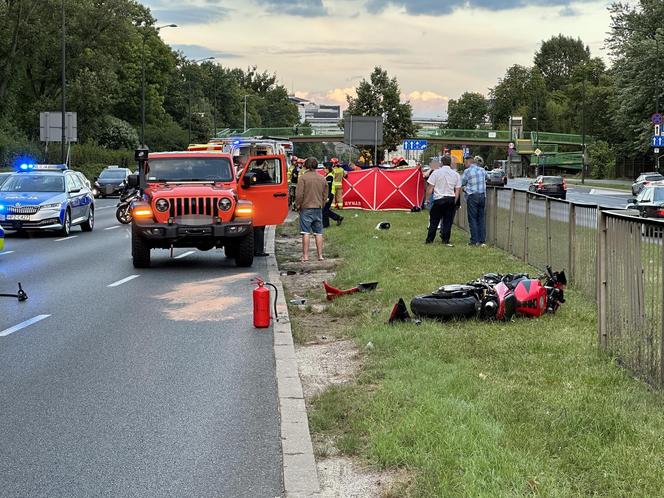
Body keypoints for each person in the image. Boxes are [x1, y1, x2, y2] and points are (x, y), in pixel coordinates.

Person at [295, 157, 328, 262]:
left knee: (305, 232)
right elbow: (325, 194)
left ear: (306, 166)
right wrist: (321, 204)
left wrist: (298, 205)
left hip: (306, 208)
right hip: (318, 208)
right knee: (319, 232)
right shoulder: (322, 178)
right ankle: (320, 256)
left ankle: (305, 256)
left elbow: (299, 194)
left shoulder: (303, 178)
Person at [424, 156, 461, 246]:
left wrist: (427, 199)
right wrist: (454, 201)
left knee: (434, 221)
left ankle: (430, 239)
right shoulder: (456, 174)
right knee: (447, 221)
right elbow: (458, 190)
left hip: (439, 199)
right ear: (450, 163)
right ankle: (445, 239)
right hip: (450, 199)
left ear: (441, 162)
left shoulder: (436, 173)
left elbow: (430, 188)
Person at [461, 155, 488, 246]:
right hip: (482, 196)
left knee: (472, 218)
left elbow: (462, 182)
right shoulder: (482, 170)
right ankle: (482, 240)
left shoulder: (467, 171)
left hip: (472, 196)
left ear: (469, 162)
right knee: (481, 218)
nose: (464, 164)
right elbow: (487, 178)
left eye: (465, 162)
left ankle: (474, 240)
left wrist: (465, 188)